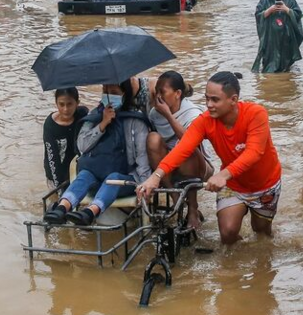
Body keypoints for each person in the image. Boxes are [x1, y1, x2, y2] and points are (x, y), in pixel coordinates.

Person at [137, 72, 282, 245]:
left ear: (233, 99)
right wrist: (156, 177)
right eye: (207, 99)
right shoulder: (205, 121)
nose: (209, 105)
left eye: (215, 100)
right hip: (233, 185)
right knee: (227, 234)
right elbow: (182, 148)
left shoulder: (256, 114)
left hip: (264, 185)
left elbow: (254, 153)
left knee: (262, 234)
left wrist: (223, 175)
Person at [42, 83, 152, 226]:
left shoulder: (135, 121)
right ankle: (62, 207)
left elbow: (142, 159)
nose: (108, 95)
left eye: (113, 92)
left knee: (112, 179)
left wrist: (144, 186)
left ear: (124, 94)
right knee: (84, 175)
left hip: (125, 178)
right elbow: (82, 146)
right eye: (105, 91)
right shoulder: (94, 116)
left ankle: (90, 212)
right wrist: (103, 124)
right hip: (96, 174)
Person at [147, 71, 214, 230]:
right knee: (153, 138)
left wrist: (169, 116)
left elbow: (189, 142)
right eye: (157, 92)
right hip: (167, 167)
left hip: (196, 165)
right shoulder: (154, 114)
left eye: (162, 92)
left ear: (177, 94)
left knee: (184, 149)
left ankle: (192, 209)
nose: (158, 96)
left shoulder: (193, 113)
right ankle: (176, 198)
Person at [252, 0, 303, 73]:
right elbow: (258, 16)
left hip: (286, 36)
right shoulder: (264, 1)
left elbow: (298, 15)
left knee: (285, 60)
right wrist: (269, 11)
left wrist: (287, 10)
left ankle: (285, 71)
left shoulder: (290, 0)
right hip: (270, 38)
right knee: (269, 61)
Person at [43, 88, 90, 194]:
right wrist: (59, 188)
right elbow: (52, 159)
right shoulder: (50, 126)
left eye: (69, 104)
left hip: (77, 169)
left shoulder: (82, 114)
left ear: (77, 103)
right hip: (56, 174)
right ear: (56, 103)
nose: (65, 109)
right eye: (61, 104)